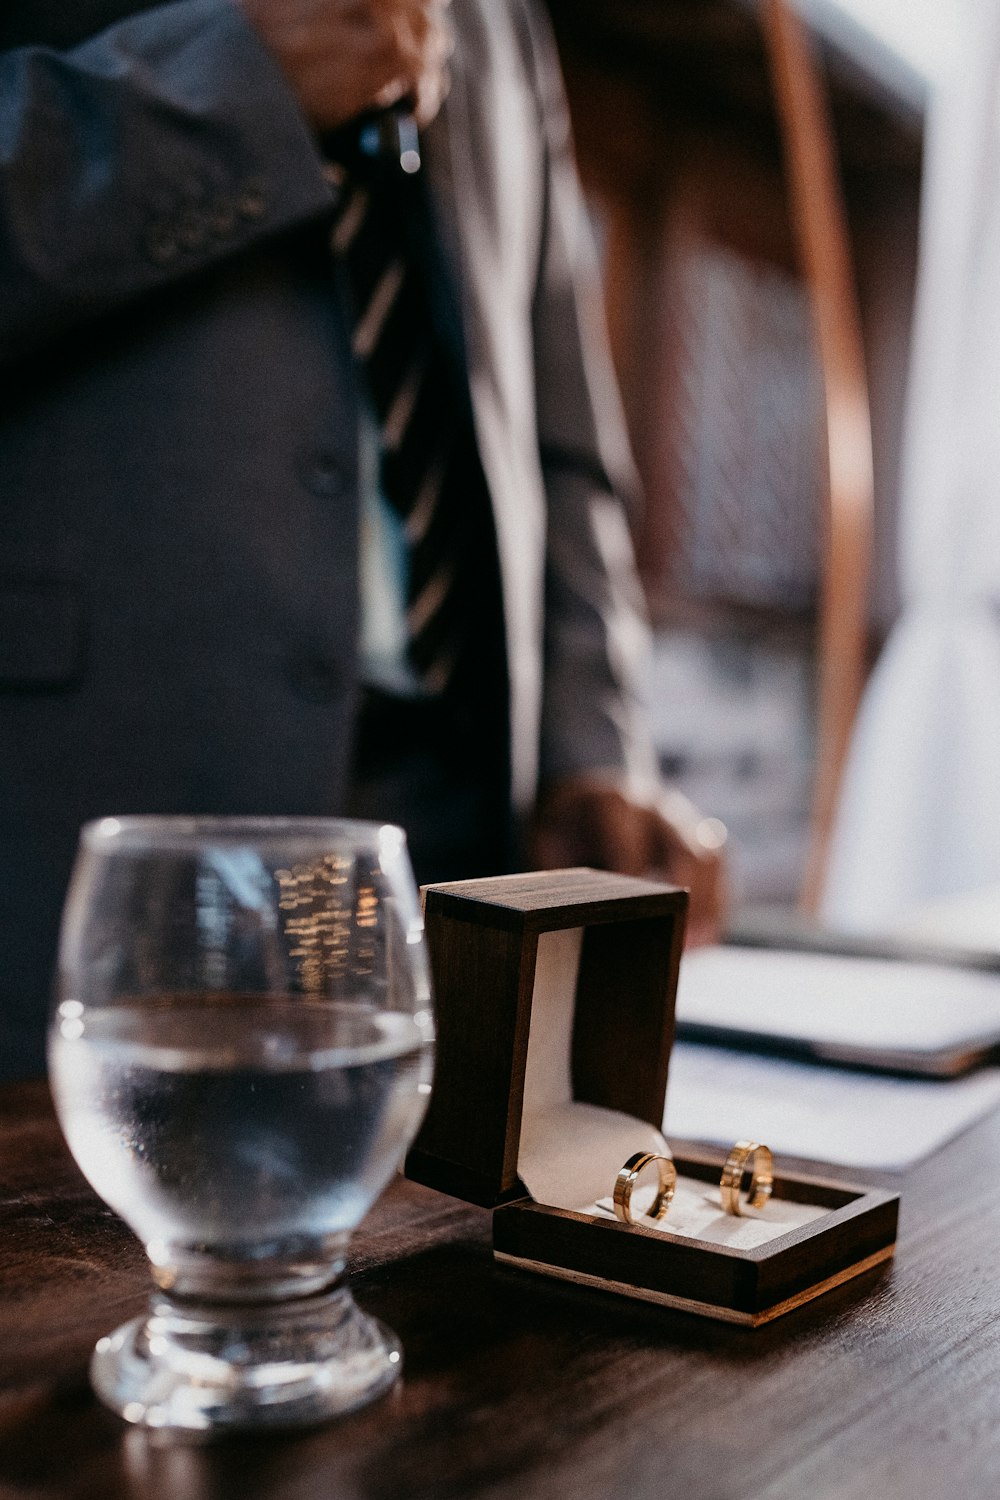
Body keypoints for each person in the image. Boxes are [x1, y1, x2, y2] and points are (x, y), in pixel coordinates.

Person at [0, 0, 726, 1081]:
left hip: (460, 842)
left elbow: (561, 437)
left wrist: (589, 749)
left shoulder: (504, 20)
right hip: (87, 812)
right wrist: (220, 89)